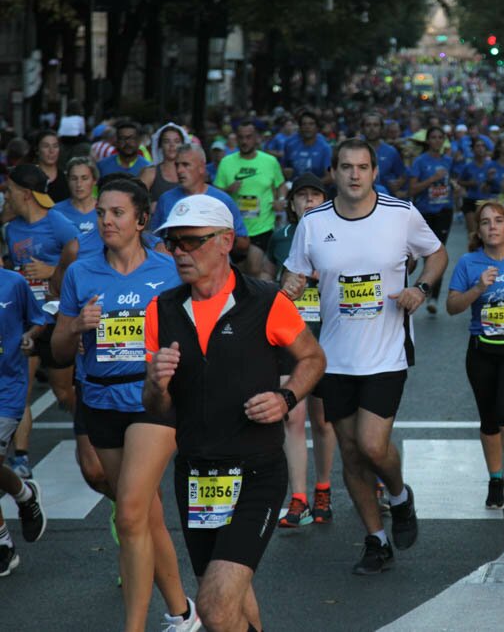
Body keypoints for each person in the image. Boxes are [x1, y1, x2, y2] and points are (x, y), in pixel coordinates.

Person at [144, 194, 325, 632]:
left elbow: (312, 359)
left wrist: (285, 399)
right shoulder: (161, 309)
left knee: (214, 605)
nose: (180, 253)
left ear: (226, 241)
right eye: (173, 243)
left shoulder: (264, 301)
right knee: (233, 602)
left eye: (191, 242)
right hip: (197, 476)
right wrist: (156, 384)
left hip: (256, 473)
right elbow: (156, 408)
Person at [282, 138, 447, 575]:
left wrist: (422, 288)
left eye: (363, 167)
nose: (354, 175)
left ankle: (399, 495)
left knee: (373, 445)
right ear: (333, 172)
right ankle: (375, 540)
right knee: (351, 455)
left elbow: (436, 253)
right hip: (331, 358)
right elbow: (294, 276)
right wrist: (290, 289)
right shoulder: (313, 224)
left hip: (385, 353)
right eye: (346, 167)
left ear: (375, 172)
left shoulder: (401, 214)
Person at [51, 179, 199, 631]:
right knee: (146, 518)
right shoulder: (82, 271)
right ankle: (182, 613)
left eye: (117, 213)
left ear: (141, 219)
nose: (106, 221)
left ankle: (133, 628)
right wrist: (76, 325)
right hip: (99, 399)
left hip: (152, 400)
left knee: (131, 511)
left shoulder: (169, 270)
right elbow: (57, 350)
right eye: (101, 213)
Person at [263, 173, 337, 528]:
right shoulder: (281, 238)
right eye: (301, 196)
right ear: (290, 204)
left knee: (323, 420)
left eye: (315, 195)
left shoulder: (340, 234)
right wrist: (281, 283)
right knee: (291, 417)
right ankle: (298, 498)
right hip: (288, 337)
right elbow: (263, 280)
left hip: (328, 337)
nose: (308, 201)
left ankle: (323, 488)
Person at [446, 201, 504, 509]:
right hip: (481, 349)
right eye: (485, 222)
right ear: (478, 231)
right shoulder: (469, 263)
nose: (492, 226)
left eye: (498, 221)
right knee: (488, 418)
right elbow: (452, 306)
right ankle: (497, 480)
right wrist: (478, 289)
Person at [3, 164, 79, 479]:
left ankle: (90, 426)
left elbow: (79, 256)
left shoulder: (58, 223)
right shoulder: (11, 228)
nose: (6, 195)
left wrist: (52, 272)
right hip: (26, 320)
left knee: (64, 393)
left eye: (9, 190)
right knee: (23, 386)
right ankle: (21, 457)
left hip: (57, 316)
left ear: (25, 194)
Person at [0, 264, 48, 577]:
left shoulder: (14, 283)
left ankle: (3, 544)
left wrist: (30, 337)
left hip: (6, 389)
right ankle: (24, 494)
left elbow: (40, 319)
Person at [148, 144, 250, 259]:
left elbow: (243, 241)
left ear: (201, 167)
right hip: (174, 268)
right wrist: (159, 244)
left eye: (186, 165)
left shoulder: (222, 200)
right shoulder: (166, 199)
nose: (179, 170)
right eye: (177, 165)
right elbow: (153, 236)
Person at [215, 121, 285, 278]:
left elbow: (281, 184)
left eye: (249, 137)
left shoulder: (270, 162)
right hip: (235, 227)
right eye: (241, 137)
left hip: (262, 226)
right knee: (239, 272)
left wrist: (280, 199)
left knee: (254, 267)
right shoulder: (226, 162)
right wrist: (227, 190)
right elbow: (215, 193)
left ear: (257, 138)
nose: (245, 141)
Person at [408, 126, 455, 314]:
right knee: (418, 255)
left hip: (445, 210)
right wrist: (432, 179)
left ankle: (432, 298)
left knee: (438, 252)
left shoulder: (449, 161)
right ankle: (413, 287)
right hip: (424, 212)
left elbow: (451, 182)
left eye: (440, 137)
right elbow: (413, 189)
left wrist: (455, 187)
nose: (436, 140)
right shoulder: (420, 161)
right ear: (428, 141)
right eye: (433, 137)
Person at [457, 137, 504, 240]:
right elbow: (459, 181)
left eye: (483, 146)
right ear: (473, 149)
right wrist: (470, 183)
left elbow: (500, 184)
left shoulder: (492, 165)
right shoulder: (468, 166)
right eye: (477, 146)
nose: (480, 149)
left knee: (486, 233)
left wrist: (490, 181)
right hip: (471, 200)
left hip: (486, 201)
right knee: (473, 234)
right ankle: (473, 254)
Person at [362, 113, 408, 197]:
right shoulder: (355, 151)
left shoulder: (391, 152)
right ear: (363, 128)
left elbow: (402, 175)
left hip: (385, 201)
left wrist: (398, 183)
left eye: (376, 125)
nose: (372, 129)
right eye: (368, 125)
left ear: (382, 129)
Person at [282, 109, 333, 184]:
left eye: (311, 124)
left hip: (318, 191)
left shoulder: (325, 148)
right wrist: (285, 172)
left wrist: (309, 186)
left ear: (317, 128)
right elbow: (284, 168)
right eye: (304, 124)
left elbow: (330, 177)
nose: (307, 127)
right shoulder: (290, 145)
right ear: (300, 128)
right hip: (294, 190)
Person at [145, 123, 189, 204]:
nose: (172, 145)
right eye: (166, 141)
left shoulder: (191, 173)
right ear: (160, 146)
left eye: (177, 141)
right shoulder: (150, 173)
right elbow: (134, 201)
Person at [53, 156, 99, 235]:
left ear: (94, 180)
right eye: (74, 178)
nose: (79, 184)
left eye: (84, 178)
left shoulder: (105, 210)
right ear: (68, 180)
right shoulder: (56, 212)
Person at [32, 130, 70, 203]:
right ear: (37, 150)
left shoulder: (66, 179)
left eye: (55, 146)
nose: (51, 151)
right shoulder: (28, 178)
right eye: (46, 146)